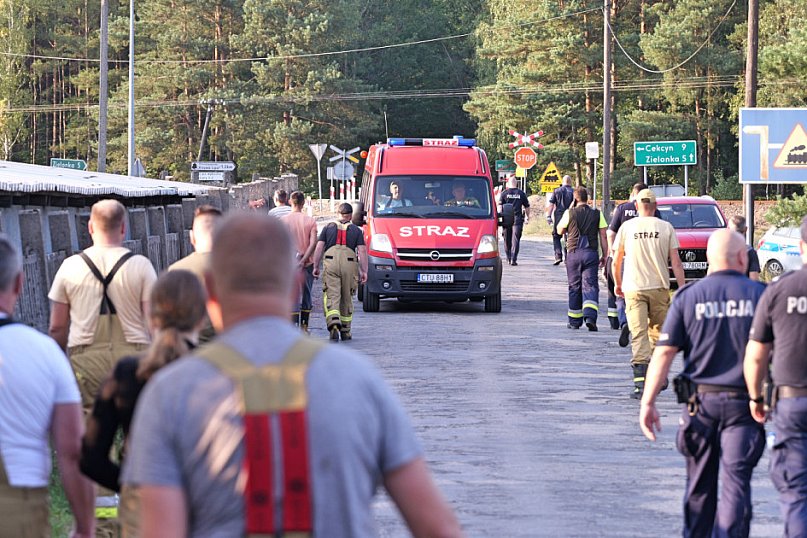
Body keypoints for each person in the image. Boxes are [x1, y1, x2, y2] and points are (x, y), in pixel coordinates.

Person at [120, 213, 463, 538]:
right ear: (295, 284)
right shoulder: (359, 381)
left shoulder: (172, 392)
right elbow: (437, 528)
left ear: (208, 287)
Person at [641, 229, 766, 537]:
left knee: (699, 486)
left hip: (701, 407)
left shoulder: (688, 297)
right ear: (741, 258)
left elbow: (664, 353)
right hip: (745, 406)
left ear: (709, 259)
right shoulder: (759, 295)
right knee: (736, 484)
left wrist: (648, 400)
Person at [48, 199, 157, 536]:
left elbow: (57, 328)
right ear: (124, 228)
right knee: (138, 435)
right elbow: (152, 321)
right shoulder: (140, 265)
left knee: (94, 441)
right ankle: (137, 515)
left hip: (85, 358)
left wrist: (58, 363)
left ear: (90, 227)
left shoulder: (69, 267)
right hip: (134, 358)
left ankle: (104, 523)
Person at [0, 235, 95, 538]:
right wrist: (85, 527)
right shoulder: (45, 352)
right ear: (19, 283)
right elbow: (71, 451)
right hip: (18, 505)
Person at [80, 270, 207, 495]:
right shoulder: (215, 371)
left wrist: (131, 488)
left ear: (151, 318)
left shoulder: (127, 373)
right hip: (202, 503)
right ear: (202, 319)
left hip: (143, 507)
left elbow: (90, 458)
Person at [744, 215, 807, 536]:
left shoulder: (780, 291)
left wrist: (756, 397)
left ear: (800, 245)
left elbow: (756, 354)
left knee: (796, 491)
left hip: (792, 403)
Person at [614, 189, 685, 399]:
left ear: (636, 206)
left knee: (638, 334)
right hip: (659, 288)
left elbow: (617, 259)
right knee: (658, 335)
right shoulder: (666, 227)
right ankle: (658, 376)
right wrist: (681, 290)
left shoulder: (627, 227)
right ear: (655, 207)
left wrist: (618, 284)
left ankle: (640, 386)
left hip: (633, 288)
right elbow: (677, 263)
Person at [606, 183, 661, 339]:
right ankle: (642, 323)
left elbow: (611, 232)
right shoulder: (654, 211)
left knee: (623, 292)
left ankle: (624, 322)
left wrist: (612, 251)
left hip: (624, 257)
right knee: (645, 291)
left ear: (633, 194)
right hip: (648, 259)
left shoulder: (623, 209)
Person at [312, 203, 368, 341]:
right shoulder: (356, 230)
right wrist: (364, 270)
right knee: (347, 296)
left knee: (332, 293)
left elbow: (319, 247)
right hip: (349, 263)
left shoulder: (328, 228)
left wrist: (315, 266)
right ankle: (345, 331)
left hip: (331, 263)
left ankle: (333, 322)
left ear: (338, 214)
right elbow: (362, 250)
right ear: (350, 215)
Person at [167, 204, 222, 343]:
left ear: (192, 237)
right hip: (233, 353)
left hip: (191, 353)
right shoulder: (241, 268)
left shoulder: (176, 271)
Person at [557, 187, 607, 331]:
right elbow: (603, 235)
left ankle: (574, 321)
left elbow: (559, 230)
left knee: (574, 286)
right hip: (591, 253)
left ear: (575, 198)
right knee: (590, 285)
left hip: (573, 253)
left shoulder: (570, 213)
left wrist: (569, 214)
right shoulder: (597, 214)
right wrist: (604, 255)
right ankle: (590, 317)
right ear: (587, 199)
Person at [283, 190, 318, 332]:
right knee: (307, 293)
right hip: (307, 263)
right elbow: (313, 243)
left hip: (290, 263)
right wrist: (304, 259)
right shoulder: (310, 221)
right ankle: (304, 327)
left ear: (290, 202)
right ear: (303, 203)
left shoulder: (283, 221)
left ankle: (292, 327)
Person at [498, 176, 530, 266]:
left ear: (508, 184)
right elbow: (527, 206)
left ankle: (508, 257)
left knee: (507, 239)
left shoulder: (504, 193)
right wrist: (528, 216)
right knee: (515, 239)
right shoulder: (521, 193)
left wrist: (499, 216)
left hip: (506, 219)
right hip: (517, 218)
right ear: (516, 183)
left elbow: (500, 206)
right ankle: (514, 259)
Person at [546, 175, 574, 265]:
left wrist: (548, 216)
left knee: (556, 235)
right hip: (571, 215)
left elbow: (551, 204)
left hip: (559, 215)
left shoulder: (557, 191)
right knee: (570, 236)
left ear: (562, 182)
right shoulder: (574, 192)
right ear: (570, 182)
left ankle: (558, 256)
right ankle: (568, 258)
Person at [728, 215, 760, 281]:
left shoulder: (721, 251)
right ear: (746, 229)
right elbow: (754, 280)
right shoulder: (750, 252)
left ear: (728, 229)